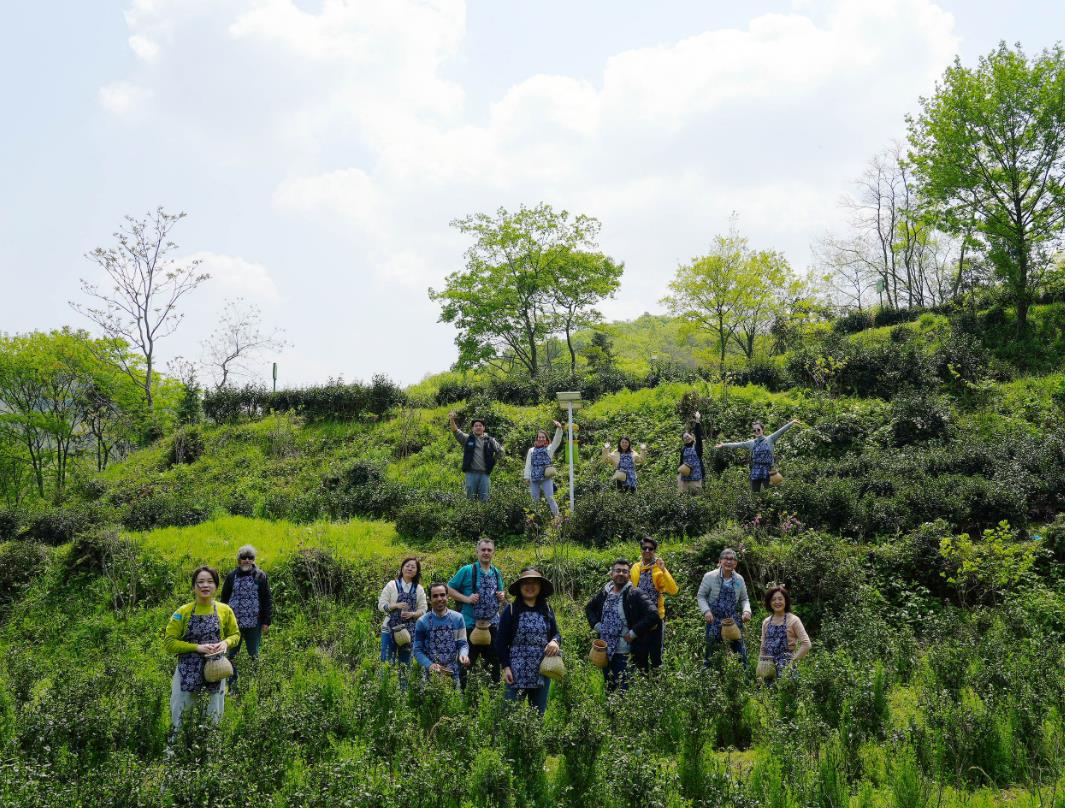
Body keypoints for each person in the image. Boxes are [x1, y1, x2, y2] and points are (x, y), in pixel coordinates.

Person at [164, 566, 241, 731]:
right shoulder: (183, 611)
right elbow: (169, 642)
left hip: (215, 669)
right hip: (187, 669)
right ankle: (177, 744)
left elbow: (235, 635)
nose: (205, 585)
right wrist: (197, 647)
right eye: (200, 582)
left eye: (210, 581)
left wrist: (225, 643)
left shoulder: (225, 610)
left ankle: (211, 744)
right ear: (194, 587)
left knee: (214, 713)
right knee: (181, 711)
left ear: (216, 586)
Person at [584, 559, 660, 693]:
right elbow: (589, 607)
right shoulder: (605, 592)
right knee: (609, 688)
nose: (621, 574)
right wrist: (596, 625)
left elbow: (653, 615)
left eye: (625, 571)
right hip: (605, 651)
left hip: (624, 652)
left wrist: (633, 633)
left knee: (624, 691)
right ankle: (610, 706)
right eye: (617, 570)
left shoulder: (635, 593)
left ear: (629, 575)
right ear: (611, 574)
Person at [496, 567, 561, 716]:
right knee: (509, 715)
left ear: (540, 586)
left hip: (542, 670)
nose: (530, 587)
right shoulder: (511, 610)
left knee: (538, 715)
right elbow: (500, 642)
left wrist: (555, 641)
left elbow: (556, 633)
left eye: (534, 583)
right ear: (520, 587)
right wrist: (506, 667)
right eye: (526, 583)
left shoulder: (547, 609)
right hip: (515, 671)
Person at [448, 538, 506, 684]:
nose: (486, 552)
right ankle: (460, 693)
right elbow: (448, 588)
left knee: (494, 664)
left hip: (491, 626)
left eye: (489, 550)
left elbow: (501, 593)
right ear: (477, 552)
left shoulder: (496, 572)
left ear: (493, 553)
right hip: (469, 625)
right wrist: (466, 599)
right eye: (483, 550)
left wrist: (502, 595)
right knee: (465, 662)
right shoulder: (467, 570)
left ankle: (492, 693)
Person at [219, 545, 272, 695]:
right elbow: (224, 599)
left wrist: (266, 621)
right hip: (234, 624)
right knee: (232, 655)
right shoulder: (231, 576)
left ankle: (254, 685)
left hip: (254, 623)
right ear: (239, 560)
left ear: (254, 560)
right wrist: (222, 620)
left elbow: (267, 599)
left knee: (253, 654)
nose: (247, 560)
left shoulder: (260, 576)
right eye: (244, 557)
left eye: (250, 558)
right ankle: (232, 686)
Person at [696, 548, 752, 667]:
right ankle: (708, 675)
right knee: (710, 655)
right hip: (714, 620)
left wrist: (747, 611)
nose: (729, 561)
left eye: (732, 559)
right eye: (726, 558)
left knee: (741, 654)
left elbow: (744, 599)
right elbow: (701, 596)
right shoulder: (710, 576)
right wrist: (706, 611)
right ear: (720, 561)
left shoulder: (739, 579)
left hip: (732, 621)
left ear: (735, 563)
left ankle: (745, 675)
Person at [629, 537, 678, 671]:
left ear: (654, 551)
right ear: (641, 550)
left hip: (655, 618)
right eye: (644, 548)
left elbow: (673, 590)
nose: (647, 551)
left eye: (650, 549)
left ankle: (657, 680)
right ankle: (642, 680)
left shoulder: (658, 568)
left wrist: (664, 570)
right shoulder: (635, 567)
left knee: (656, 656)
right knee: (639, 656)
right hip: (638, 619)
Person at [715, 419, 800, 493]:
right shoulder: (751, 443)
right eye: (754, 430)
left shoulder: (770, 439)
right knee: (755, 494)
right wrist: (724, 445)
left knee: (770, 493)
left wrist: (792, 422)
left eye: (758, 429)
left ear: (763, 429)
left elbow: (781, 431)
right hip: (756, 471)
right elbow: (738, 444)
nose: (756, 431)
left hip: (769, 471)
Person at [413, 582, 470, 687]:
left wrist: (463, 654)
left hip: (452, 672)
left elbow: (462, 644)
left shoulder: (458, 618)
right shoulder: (422, 622)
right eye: (435, 596)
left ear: (447, 597)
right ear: (429, 600)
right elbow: (417, 650)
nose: (439, 599)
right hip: (430, 673)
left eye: (442, 595)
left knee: (454, 697)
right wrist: (429, 665)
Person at [378, 557, 427, 666]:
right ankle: (386, 678)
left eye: (413, 567)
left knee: (405, 663)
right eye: (407, 566)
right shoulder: (391, 585)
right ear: (402, 568)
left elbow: (423, 609)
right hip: (389, 628)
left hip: (409, 631)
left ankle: (403, 678)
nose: (410, 568)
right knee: (386, 662)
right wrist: (395, 605)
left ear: (417, 571)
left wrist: (413, 614)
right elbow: (381, 606)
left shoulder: (419, 589)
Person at [449, 411, 504, 501]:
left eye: (480, 425)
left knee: (484, 499)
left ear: (484, 428)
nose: (478, 427)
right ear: (472, 428)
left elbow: (501, 451)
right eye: (476, 426)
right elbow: (455, 431)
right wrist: (451, 419)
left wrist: (493, 461)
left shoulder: (490, 440)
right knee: (470, 499)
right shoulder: (467, 439)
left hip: (485, 474)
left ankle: (483, 510)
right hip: (471, 474)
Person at [759, 585, 811, 679]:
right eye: (773, 599)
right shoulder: (766, 622)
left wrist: (793, 662)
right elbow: (763, 648)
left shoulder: (793, 620)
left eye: (780, 599)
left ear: (786, 601)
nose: (777, 602)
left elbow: (806, 644)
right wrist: (760, 669)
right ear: (769, 602)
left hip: (787, 671)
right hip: (768, 670)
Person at [523, 421, 564, 518]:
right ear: (537, 438)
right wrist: (527, 477)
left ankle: (557, 518)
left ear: (546, 439)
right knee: (534, 499)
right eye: (539, 437)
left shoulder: (549, 448)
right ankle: (536, 519)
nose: (541, 439)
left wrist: (559, 429)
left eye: (543, 437)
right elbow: (528, 464)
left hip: (546, 477)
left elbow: (557, 440)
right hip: (534, 478)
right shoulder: (531, 450)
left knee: (550, 498)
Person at [678, 411, 705, 493]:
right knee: (685, 497)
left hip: (696, 477)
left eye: (688, 436)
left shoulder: (697, 446)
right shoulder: (683, 449)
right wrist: (679, 473)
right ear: (683, 440)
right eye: (684, 438)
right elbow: (681, 462)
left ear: (692, 436)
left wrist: (697, 420)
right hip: (685, 478)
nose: (687, 438)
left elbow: (698, 435)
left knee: (697, 496)